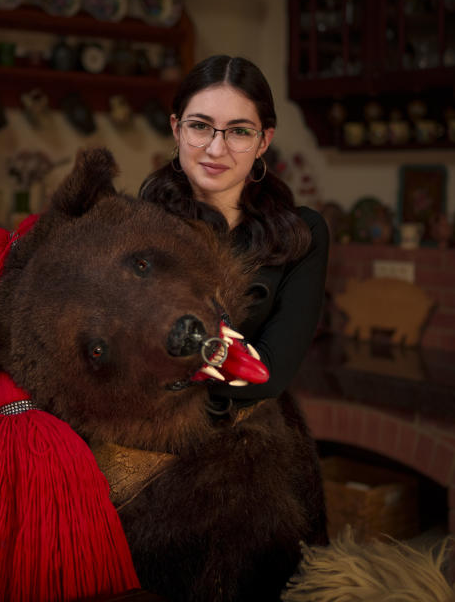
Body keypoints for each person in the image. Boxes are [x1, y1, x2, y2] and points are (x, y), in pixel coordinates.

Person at [139, 54, 329, 414]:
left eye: (240, 131)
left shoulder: (302, 235)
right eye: (200, 126)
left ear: (263, 141)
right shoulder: (138, 225)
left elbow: (270, 375)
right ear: (177, 129)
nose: (215, 148)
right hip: (139, 440)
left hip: (239, 448)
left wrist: (167, 365)